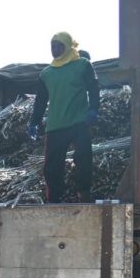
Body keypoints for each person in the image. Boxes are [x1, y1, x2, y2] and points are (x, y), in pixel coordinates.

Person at [28, 31, 101, 203]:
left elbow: (93, 87)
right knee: (52, 167)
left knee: (83, 159)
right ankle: (54, 197)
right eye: (52, 46)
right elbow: (40, 101)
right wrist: (34, 122)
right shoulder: (46, 73)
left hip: (79, 122)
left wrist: (94, 109)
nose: (54, 49)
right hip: (55, 126)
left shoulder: (83, 65)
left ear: (67, 46)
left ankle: (83, 192)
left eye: (58, 46)